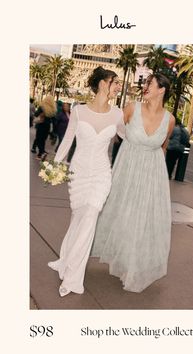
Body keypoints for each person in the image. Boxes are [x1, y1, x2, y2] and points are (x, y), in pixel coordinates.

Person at [91, 72, 175, 293]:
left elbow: (163, 150)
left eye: (150, 83)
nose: (145, 86)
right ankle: (118, 258)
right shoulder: (131, 108)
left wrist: (159, 187)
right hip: (126, 172)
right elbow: (112, 133)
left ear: (161, 90)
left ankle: (133, 265)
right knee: (122, 213)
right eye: (146, 82)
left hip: (152, 176)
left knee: (142, 220)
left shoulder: (170, 119)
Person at [48, 66, 123, 297]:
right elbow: (67, 140)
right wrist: (55, 166)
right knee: (79, 218)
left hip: (102, 175)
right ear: (103, 84)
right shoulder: (79, 111)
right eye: (115, 82)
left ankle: (72, 278)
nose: (118, 87)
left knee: (90, 216)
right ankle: (65, 258)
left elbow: (130, 139)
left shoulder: (118, 114)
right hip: (78, 173)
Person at [31, 95, 57, 160]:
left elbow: (36, 114)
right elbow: (54, 120)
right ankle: (40, 154)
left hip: (41, 125)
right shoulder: (53, 109)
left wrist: (41, 114)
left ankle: (42, 152)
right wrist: (53, 130)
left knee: (39, 139)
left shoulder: (42, 107)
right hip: (48, 126)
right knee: (43, 140)